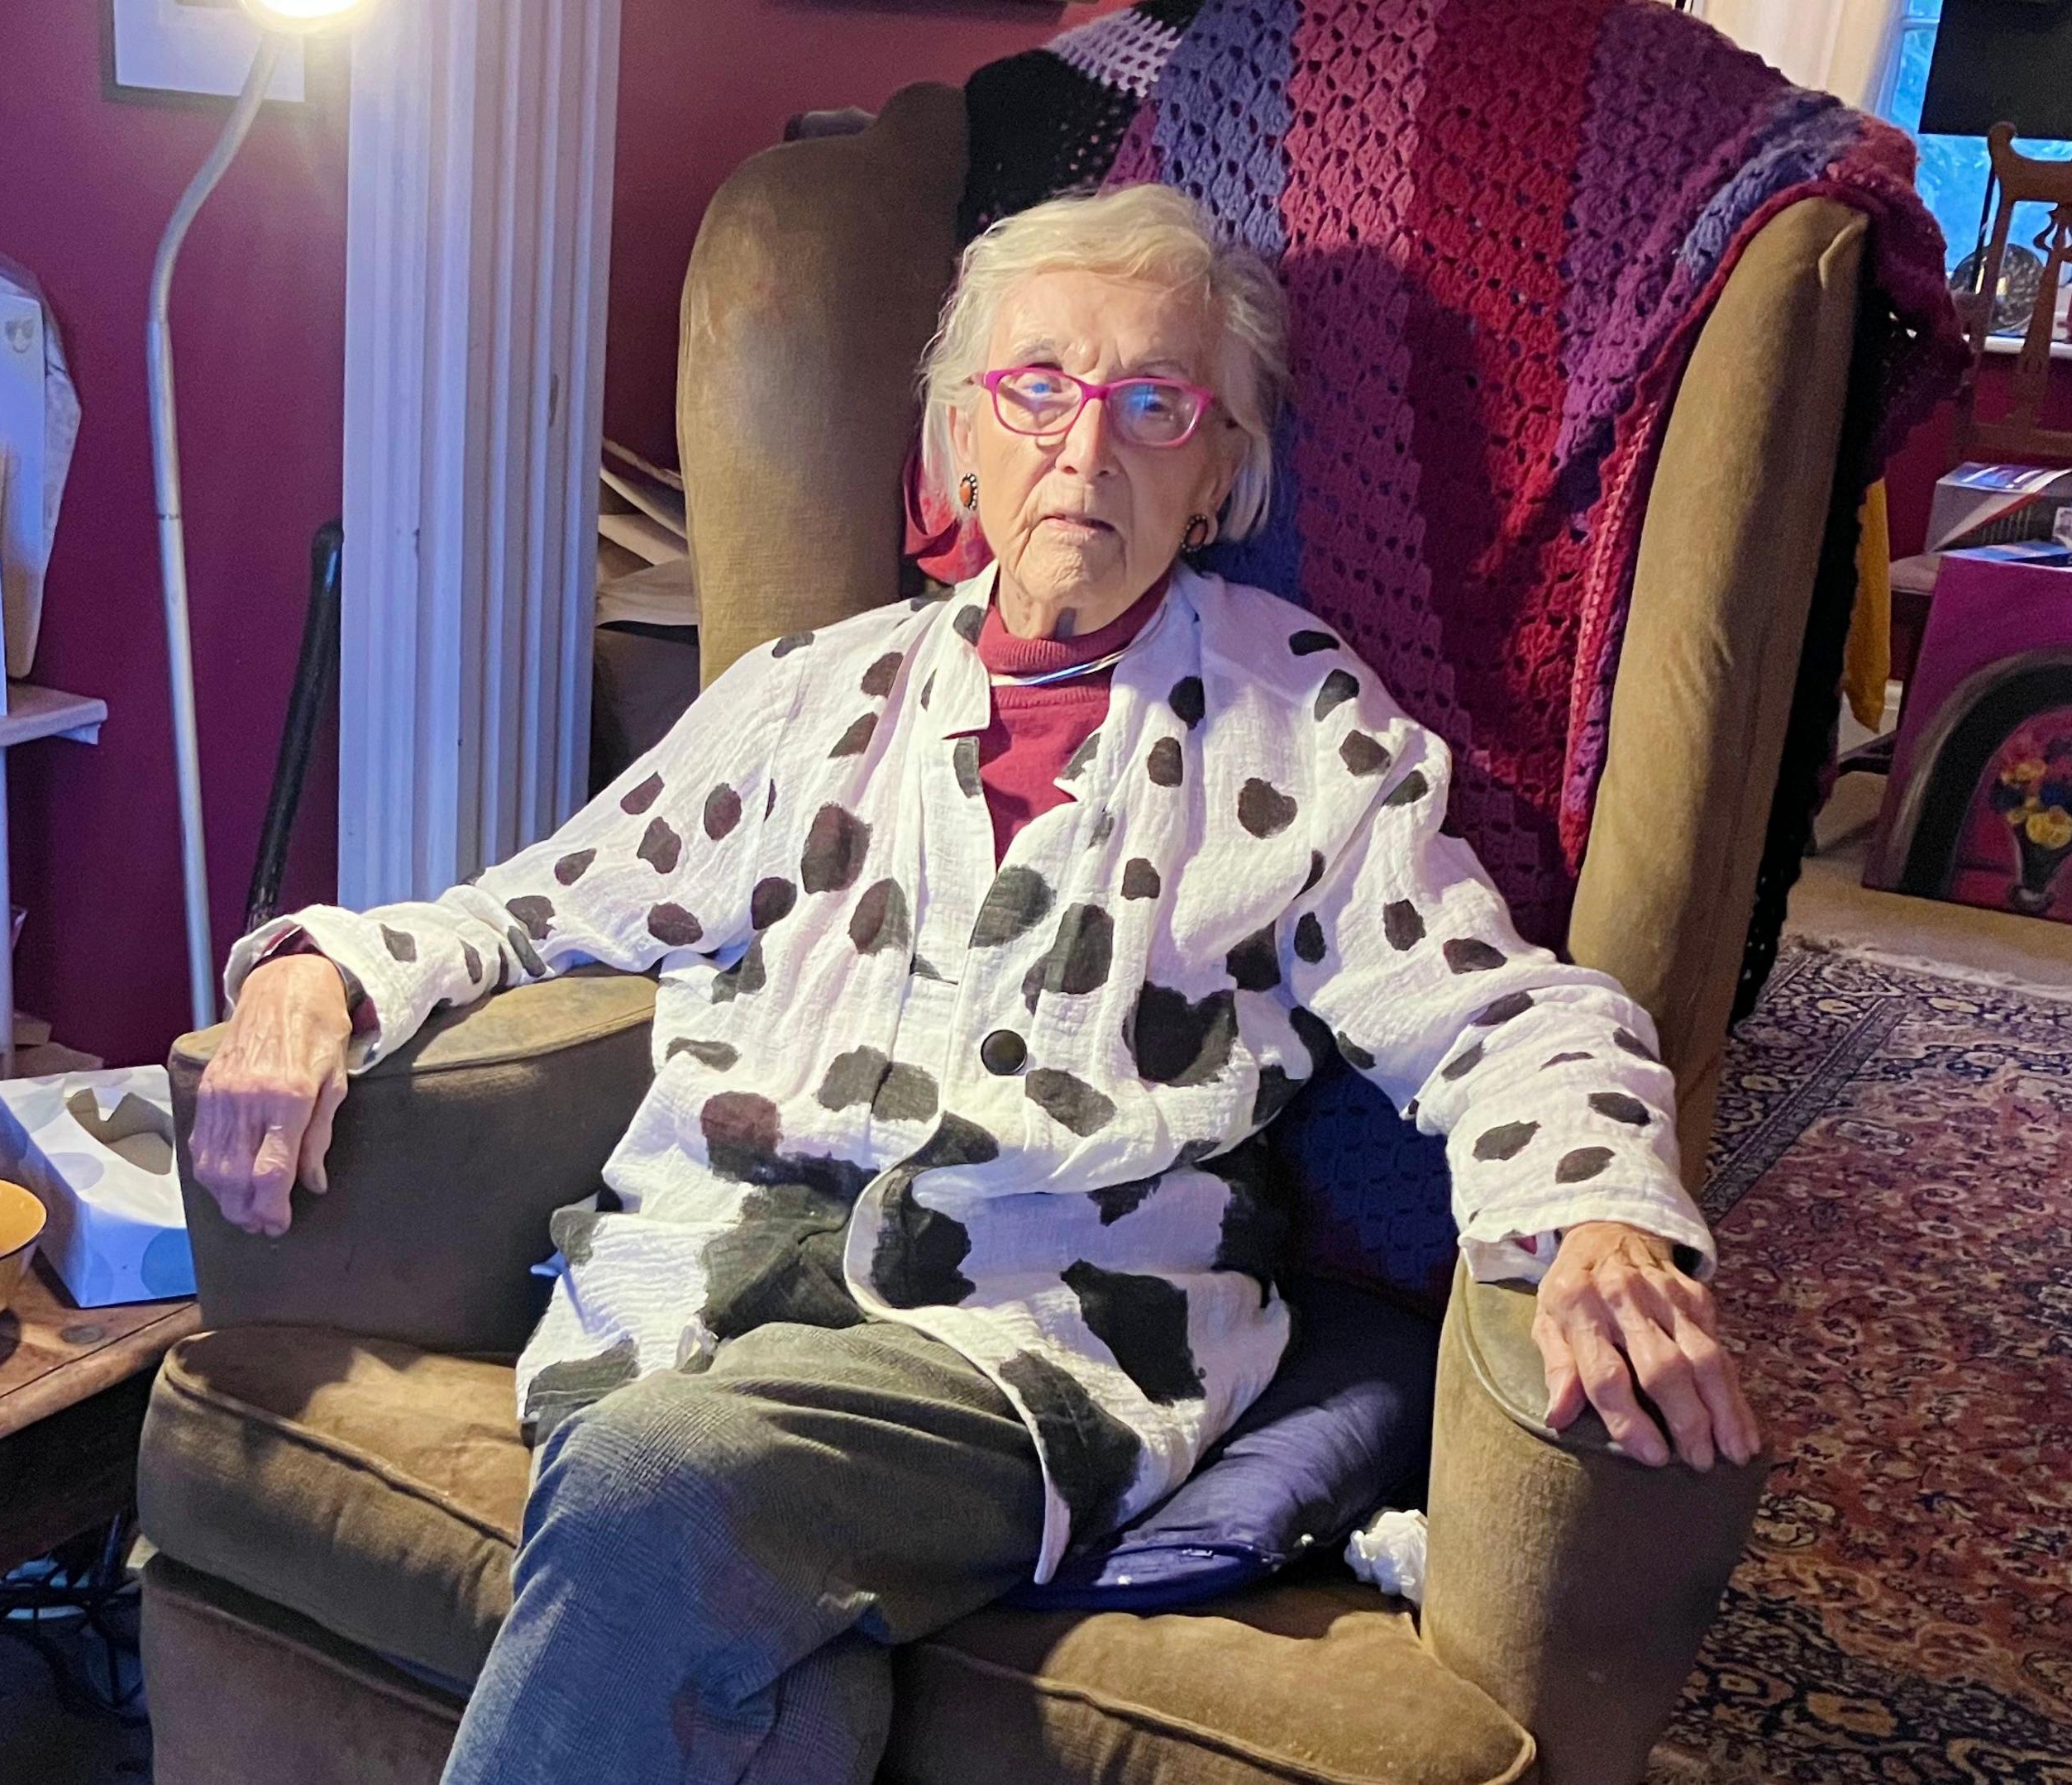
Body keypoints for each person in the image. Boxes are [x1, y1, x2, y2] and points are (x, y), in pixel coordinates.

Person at [190, 183, 1761, 1785]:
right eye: (1038, 389)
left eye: (1154, 403)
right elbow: (540, 905)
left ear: (1219, 471)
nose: (1086, 450)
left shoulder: (1298, 733)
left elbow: (1498, 1006)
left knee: (660, 1486)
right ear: (960, 440)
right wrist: (319, 973)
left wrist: (1596, 1211)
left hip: (1021, 1343)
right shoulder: (813, 694)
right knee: (780, 1700)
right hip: (689, 1297)